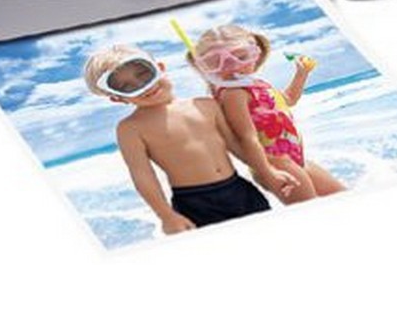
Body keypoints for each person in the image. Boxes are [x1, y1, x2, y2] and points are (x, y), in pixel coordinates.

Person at [83, 45, 297, 234]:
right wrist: (166, 216)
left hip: (239, 188)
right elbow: (143, 176)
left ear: (160, 68)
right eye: (127, 86)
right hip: (194, 203)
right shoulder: (131, 128)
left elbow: (236, 145)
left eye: (144, 74)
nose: (144, 85)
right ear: (117, 98)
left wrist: (268, 171)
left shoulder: (206, 105)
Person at [190, 24, 346, 203]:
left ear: (255, 53)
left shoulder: (257, 84)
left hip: (295, 159)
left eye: (241, 57)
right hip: (275, 164)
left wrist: (301, 74)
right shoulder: (233, 94)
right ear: (206, 67)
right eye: (217, 62)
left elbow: (288, 99)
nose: (233, 67)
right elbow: (247, 138)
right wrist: (268, 172)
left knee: (342, 196)